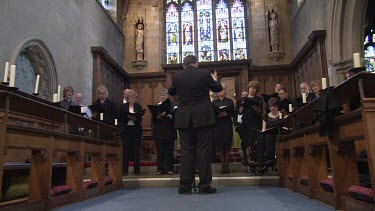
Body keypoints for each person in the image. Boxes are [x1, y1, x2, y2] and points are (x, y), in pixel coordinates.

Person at [168, 55, 222, 195]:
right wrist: (214, 78)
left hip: (184, 118)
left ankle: (185, 187)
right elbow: (217, 88)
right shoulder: (204, 74)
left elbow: (171, 91)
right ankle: (204, 186)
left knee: (186, 152)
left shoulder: (177, 76)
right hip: (203, 117)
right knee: (203, 151)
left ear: (184, 65)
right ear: (196, 63)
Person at [239, 81, 263, 172]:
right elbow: (240, 112)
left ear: (256, 90)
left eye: (254, 88)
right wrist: (243, 104)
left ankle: (256, 162)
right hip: (245, 123)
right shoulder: (243, 99)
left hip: (255, 122)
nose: (251, 90)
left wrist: (254, 107)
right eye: (250, 88)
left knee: (255, 143)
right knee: (246, 143)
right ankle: (247, 161)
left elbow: (260, 112)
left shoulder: (259, 99)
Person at [152, 89, 177, 175]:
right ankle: (160, 169)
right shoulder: (156, 106)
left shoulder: (171, 106)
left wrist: (170, 116)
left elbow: (176, 117)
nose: (162, 97)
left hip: (169, 132)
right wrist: (157, 117)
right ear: (159, 97)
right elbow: (153, 120)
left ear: (167, 96)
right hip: (159, 132)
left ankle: (170, 169)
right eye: (161, 95)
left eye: (164, 95)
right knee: (160, 153)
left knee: (169, 152)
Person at [119, 89, 143, 176]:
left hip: (136, 131)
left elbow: (140, 119)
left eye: (133, 98)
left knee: (136, 151)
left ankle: (137, 171)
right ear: (127, 98)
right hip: (126, 131)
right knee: (125, 152)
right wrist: (126, 118)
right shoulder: (123, 107)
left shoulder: (138, 107)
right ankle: (124, 170)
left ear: (136, 98)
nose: (132, 99)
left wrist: (135, 119)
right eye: (130, 98)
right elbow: (120, 119)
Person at [256, 97, 282, 173]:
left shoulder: (282, 114)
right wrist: (263, 131)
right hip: (268, 134)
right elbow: (263, 128)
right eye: (271, 106)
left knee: (268, 137)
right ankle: (260, 161)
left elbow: (286, 125)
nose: (273, 108)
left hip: (277, 135)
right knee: (261, 137)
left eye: (274, 106)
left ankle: (270, 160)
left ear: (277, 106)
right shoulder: (266, 116)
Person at [212, 87, 234, 174]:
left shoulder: (229, 101)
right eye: (220, 90)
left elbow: (233, 112)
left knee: (227, 145)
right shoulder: (214, 102)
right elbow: (211, 113)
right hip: (218, 125)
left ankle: (227, 166)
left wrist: (226, 113)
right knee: (220, 146)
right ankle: (222, 165)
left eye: (223, 90)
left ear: (225, 92)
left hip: (227, 124)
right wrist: (217, 114)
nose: (221, 92)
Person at [235, 91, 249, 166]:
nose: (244, 97)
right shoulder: (239, 102)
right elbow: (239, 112)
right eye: (243, 95)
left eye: (246, 95)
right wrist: (243, 104)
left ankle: (249, 158)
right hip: (241, 125)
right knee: (243, 142)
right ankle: (245, 158)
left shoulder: (250, 102)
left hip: (249, 124)